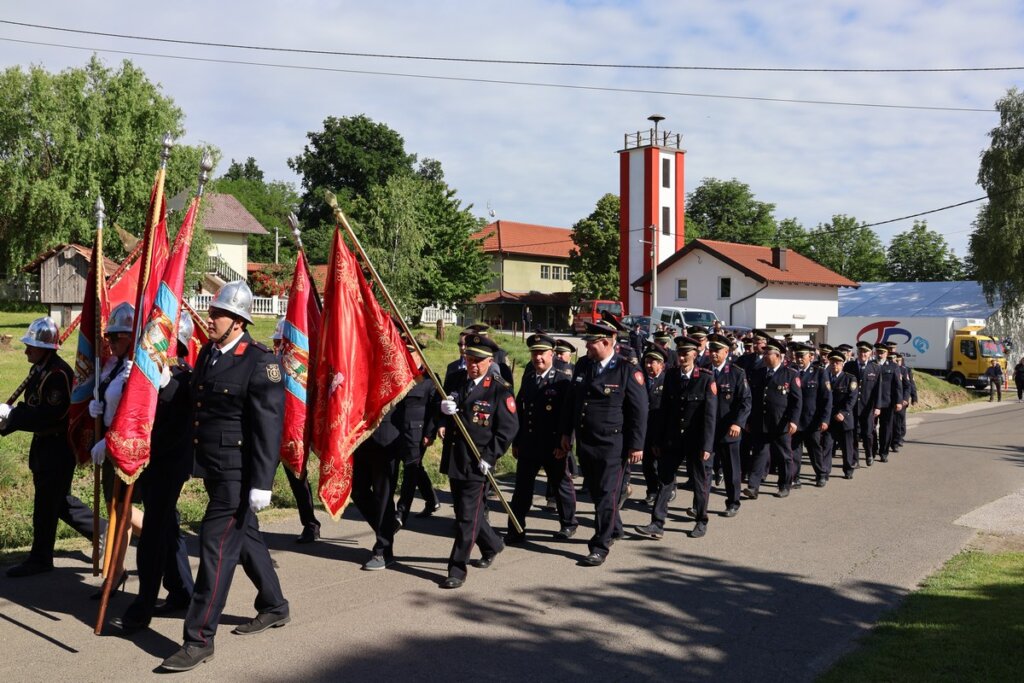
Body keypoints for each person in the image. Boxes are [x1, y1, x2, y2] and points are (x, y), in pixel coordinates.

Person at [160, 281, 289, 673]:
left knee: (215, 549)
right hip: (212, 467)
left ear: (237, 322)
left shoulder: (260, 362)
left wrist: (263, 483)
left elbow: (269, 428)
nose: (209, 318)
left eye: (217, 314)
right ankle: (274, 605)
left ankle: (198, 638)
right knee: (244, 538)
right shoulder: (211, 355)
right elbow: (195, 397)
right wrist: (163, 381)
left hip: (238, 474)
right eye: (211, 312)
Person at [109, 310, 196, 633]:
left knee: (154, 535)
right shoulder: (148, 374)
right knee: (166, 526)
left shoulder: (184, 376)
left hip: (169, 463)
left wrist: (162, 382)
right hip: (149, 461)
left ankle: (141, 606)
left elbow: (177, 418)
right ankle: (181, 589)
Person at [1, 317, 101, 578]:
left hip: (56, 448)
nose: (26, 350)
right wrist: (8, 418)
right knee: (59, 503)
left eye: (31, 346)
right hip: (43, 446)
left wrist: (12, 418)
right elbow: (32, 405)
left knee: (47, 505)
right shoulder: (40, 369)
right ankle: (105, 533)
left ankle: (40, 558)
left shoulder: (57, 375)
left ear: (45, 348)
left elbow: (49, 414)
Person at [560, 319, 647, 566]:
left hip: (613, 444)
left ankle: (600, 545)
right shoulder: (584, 365)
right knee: (597, 493)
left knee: (608, 494)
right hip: (586, 442)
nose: (587, 347)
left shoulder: (627, 369)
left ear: (607, 342)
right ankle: (615, 528)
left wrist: (636, 445)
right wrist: (566, 433)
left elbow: (639, 410)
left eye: (591, 343)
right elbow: (571, 402)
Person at [438, 334, 518, 589]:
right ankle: (493, 543)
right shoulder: (457, 381)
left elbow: (507, 429)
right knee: (464, 512)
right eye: (469, 359)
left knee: (466, 518)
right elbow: (447, 412)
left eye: (478, 361)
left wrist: (490, 457)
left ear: (489, 361)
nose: (472, 365)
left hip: (478, 461)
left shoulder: (498, 389)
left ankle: (457, 568)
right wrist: (443, 411)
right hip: (455, 458)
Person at [634, 336, 717, 540]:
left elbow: (709, 415)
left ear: (695, 355)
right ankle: (657, 523)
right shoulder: (671, 376)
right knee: (665, 480)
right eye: (679, 353)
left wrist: (707, 445)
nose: (682, 357)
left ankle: (701, 520)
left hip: (696, 439)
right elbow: (664, 411)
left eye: (686, 353)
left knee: (699, 481)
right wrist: (657, 440)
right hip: (672, 439)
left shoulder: (706, 378)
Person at [506, 332, 576, 543]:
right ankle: (516, 528)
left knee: (560, 484)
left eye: (542, 353)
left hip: (553, 444)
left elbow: (568, 416)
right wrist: (516, 442)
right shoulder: (528, 380)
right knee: (522, 489)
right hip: (529, 444)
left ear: (552, 354)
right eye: (534, 353)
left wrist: (564, 442)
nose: (538, 358)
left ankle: (568, 524)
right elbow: (520, 411)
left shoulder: (563, 381)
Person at [89, 302, 145, 536]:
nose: (109, 344)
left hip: (126, 443)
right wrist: (97, 405)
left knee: (121, 506)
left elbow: (135, 413)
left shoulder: (137, 369)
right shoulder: (112, 365)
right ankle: (117, 568)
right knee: (114, 506)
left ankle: (165, 538)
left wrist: (136, 378)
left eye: (115, 338)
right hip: (108, 441)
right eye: (108, 338)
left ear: (131, 338)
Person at [270, 317, 322, 544]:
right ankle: (243, 528)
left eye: (281, 341)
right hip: (271, 431)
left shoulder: (301, 365)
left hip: (292, 430)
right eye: (277, 342)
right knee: (258, 480)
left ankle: (311, 525)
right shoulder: (269, 362)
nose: (278, 345)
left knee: (298, 481)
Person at [742, 337, 802, 499]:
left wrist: (794, 421)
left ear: (778, 356)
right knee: (759, 453)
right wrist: (747, 420)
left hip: (780, 422)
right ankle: (753, 487)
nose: (764, 356)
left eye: (768, 353)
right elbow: (752, 399)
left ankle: (784, 485)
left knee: (783, 456)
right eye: (764, 353)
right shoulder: (758, 373)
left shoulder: (790, 374)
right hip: (760, 422)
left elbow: (797, 401)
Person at [393, 339, 441, 527]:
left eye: (410, 353)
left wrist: (430, 433)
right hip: (397, 432)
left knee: (410, 471)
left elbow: (435, 410)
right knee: (415, 467)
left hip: (418, 434)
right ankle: (432, 500)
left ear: (419, 355)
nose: (407, 357)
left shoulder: (430, 379)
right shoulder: (398, 375)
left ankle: (401, 512)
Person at [706, 333, 751, 517]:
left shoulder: (736, 373)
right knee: (703, 469)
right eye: (711, 350)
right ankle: (699, 505)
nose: (713, 354)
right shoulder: (704, 371)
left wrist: (738, 423)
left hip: (728, 429)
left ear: (726, 352)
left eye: (717, 351)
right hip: (708, 431)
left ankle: (733, 502)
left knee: (731, 468)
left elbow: (746, 402)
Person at [789, 343, 833, 488]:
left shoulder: (819, 372)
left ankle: (821, 474)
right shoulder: (791, 371)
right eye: (797, 356)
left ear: (811, 357)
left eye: (802, 356)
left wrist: (825, 419)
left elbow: (827, 398)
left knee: (814, 450)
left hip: (812, 420)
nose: (799, 359)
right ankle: (795, 477)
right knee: (795, 450)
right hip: (795, 420)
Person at [844, 341, 882, 467]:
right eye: (860, 351)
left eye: (865, 352)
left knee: (868, 433)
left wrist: (877, 406)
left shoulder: (875, 368)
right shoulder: (849, 366)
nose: (863, 354)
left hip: (868, 407)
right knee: (853, 433)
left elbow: (878, 389)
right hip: (852, 407)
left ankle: (869, 453)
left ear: (870, 353)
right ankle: (855, 459)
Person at [822, 351, 859, 480]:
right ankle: (824, 473)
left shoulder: (850, 378)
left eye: (837, 363)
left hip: (844, 419)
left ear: (842, 364)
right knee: (826, 446)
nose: (834, 365)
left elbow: (852, 398)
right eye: (832, 363)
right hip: (829, 418)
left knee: (847, 447)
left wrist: (843, 412)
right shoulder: (824, 377)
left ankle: (848, 469)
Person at [640, 346, 668, 507]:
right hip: (645, 429)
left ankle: (668, 488)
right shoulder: (641, 379)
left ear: (661, 365)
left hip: (661, 428)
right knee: (647, 464)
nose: (649, 365)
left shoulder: (668, 380)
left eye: (653, 362)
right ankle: (652, 490)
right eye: (647, 362)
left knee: (663, 462)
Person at [873, 343, 904, 462]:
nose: (880, 354)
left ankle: (884, 452)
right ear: (875, 353)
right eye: (878, 352)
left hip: (888, 402)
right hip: (872, 403)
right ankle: (873, 448)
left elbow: (898, 385)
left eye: (883, 352)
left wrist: (899, 401)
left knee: (886, 428)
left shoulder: (893, 366)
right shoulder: (871, 365)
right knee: (871, 428)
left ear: (887, 353)